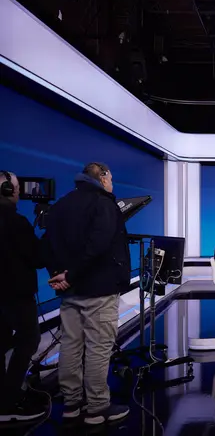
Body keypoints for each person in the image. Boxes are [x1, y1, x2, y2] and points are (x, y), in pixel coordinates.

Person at [44, 162, 130, 425]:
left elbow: (48, 244)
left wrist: (60, 275)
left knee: (70, 345)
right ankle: (97, 408)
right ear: (102, 177)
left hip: (71, 290)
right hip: (98, 289)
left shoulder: (61, 204)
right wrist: (71, 275)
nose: (111, 184)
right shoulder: (103, 204)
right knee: (98, 347)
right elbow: (98, 246)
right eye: (110, 178)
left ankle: (71, 405)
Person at [0, 171, 47, 422]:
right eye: (17, 187)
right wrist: (47, 233)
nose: (19, 191)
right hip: (16, 293)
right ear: (8, 191)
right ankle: (9, 403)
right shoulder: (16, 222)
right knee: (29, 340)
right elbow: (37, 257)